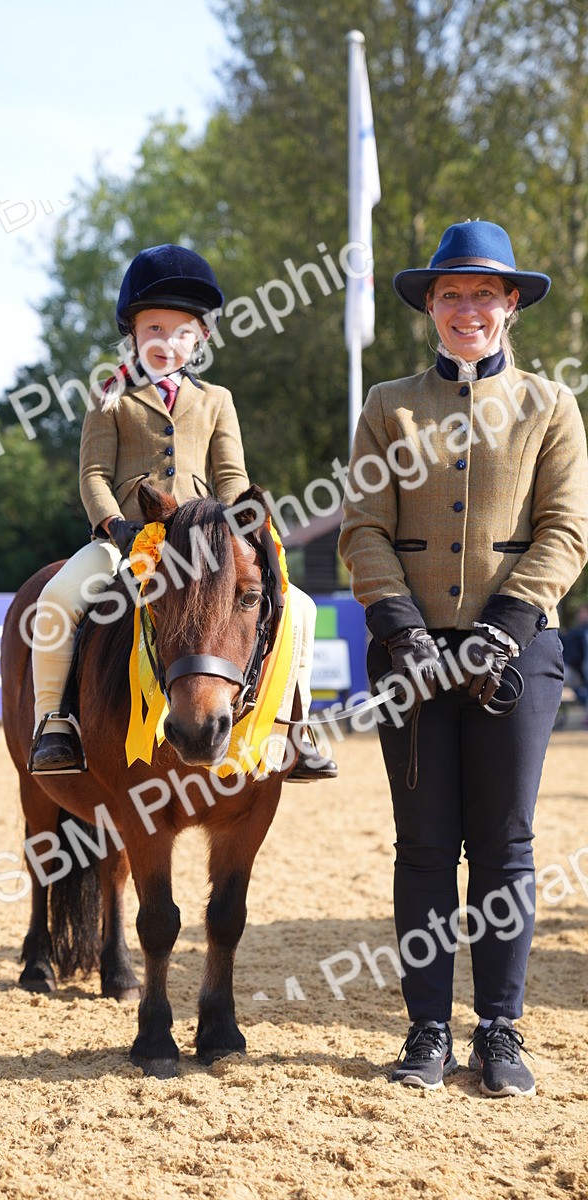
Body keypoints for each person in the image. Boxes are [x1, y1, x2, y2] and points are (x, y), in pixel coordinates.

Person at [339, 220, 588, 1096]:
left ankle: (503, 1032)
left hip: (517, 651)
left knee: (506, 847)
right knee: (423, 846)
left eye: (485, 293)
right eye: (452, 295)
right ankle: (427, 1031)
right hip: (412, 650)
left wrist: (507, 625)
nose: (468, 309)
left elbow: (567, 531)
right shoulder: (388, 405)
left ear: (511, 304)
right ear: (430, 309)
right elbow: (363, 529)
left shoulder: (551, 406)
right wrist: (403, 629)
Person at [30, 243, 336, 782]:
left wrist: (245, 522)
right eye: (153, 330)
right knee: (57, 598)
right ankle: (54, 722)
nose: (166, 343)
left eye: (180, 332)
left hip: (203, 543)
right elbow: (93, 476)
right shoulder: (111, 400)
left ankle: (297, 730)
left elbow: (232, 476)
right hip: (126, 538)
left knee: (303, 606)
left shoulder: (217, 399)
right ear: (133, 336)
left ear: (201, 339)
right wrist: (114, 525)